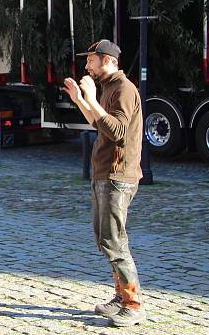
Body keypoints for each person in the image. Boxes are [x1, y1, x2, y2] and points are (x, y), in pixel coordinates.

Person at [62, 39, 144, 328]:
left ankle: (133, 305)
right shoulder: (109, 87)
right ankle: (120, 297)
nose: (87, 65)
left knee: (114, 240)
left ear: (107, 60)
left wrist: (92, 99)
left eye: (91, 60)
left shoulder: (123, 89)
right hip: (104, 173)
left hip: (118, 176)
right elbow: (100, 125)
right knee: (105, 239)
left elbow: (119, 132)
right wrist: (81, 101)